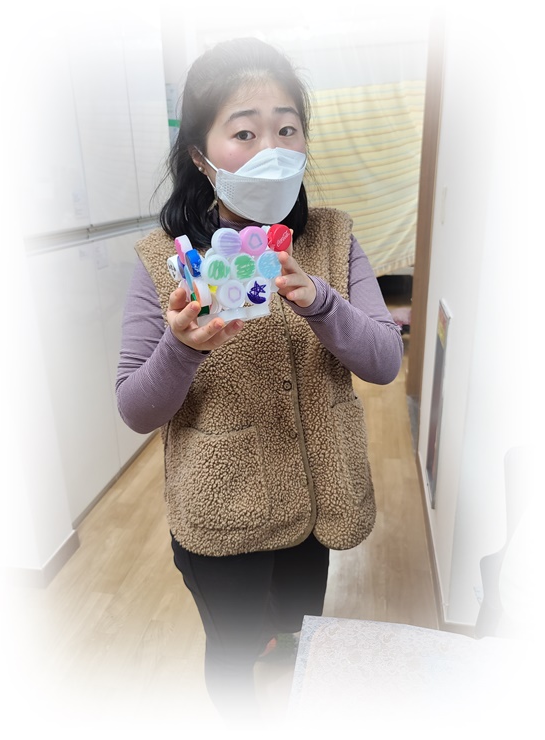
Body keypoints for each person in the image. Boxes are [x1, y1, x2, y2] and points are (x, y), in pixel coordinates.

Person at [116, 36, 403, 720]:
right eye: (244, 132)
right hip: (224, 511)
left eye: (286, 129)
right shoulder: (167, 261)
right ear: (201, 155)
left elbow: (384, 361)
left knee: (300, 630)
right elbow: (134, 407)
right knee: (232, 648)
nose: (271, 147)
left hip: (317, 500)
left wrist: (321, 301)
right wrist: (182, 348)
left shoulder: (332, 238)